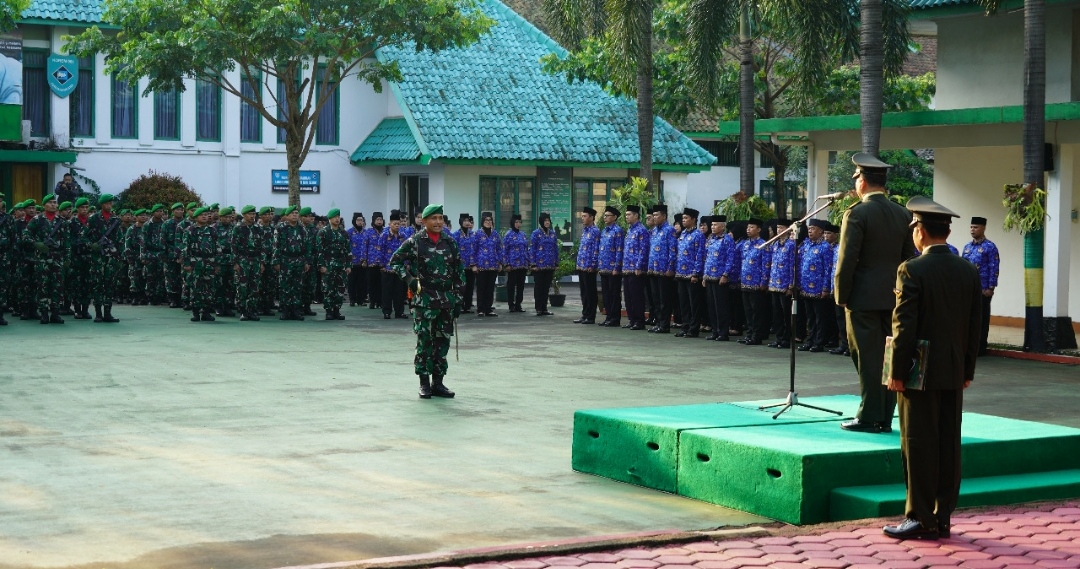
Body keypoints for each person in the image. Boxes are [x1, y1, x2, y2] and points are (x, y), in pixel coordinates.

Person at [882, 196, 981, 541]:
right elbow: (974, 326)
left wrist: (895, 371)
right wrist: (967, 369)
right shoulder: (968, 269)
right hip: (953, 369)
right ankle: (942, 516)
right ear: (948, 231)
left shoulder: (912, 269)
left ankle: (919, 517)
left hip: (917, 371)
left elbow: (903, 327)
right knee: (948, 443)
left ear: (920, 232)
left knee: (917, 442)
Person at [835, 153, 918, 433]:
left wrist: (841, 294)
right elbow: (909, 259)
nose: (855, 181)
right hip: (894, 297)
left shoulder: (857, 212)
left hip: (863, 298)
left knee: (868, 358)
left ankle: (870, 416)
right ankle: (884, 416)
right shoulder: (902, 213)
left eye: (856, 177)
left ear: (862, 181)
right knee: (889, 358)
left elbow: (848, 259)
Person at [388, 204, 465, 399]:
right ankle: (424, 383)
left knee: (442, 341)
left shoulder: (450, 242)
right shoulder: (415, 241)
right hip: (425, 301)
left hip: (446, 300)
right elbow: (395, 261)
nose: (438, 222)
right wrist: (410, 280)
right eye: (434, 218)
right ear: (424, 221)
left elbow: (459, 272)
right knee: (425, 343)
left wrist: (458, 300)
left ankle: (438, 383)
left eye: (440, 218)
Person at [24, 194, 67, 324]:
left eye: (55, 202)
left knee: (57, 286)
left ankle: (55, 313)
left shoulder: (62, 221)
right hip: (42, 258)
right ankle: (43, 313)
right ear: (44, 205)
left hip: (57, 258)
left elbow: (67, 241)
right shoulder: (37, 220)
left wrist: (67, 258)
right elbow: (25, 235)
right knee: (42, 286)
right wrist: (36, 243)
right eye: (50, 202)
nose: (53, 204)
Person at [961, 216, 999, 356]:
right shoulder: (967, 247)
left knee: (981, 319)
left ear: (983, 228)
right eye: (971, 227)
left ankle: (980, 347)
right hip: (968, 290)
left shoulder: (990, 247)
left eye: (976, 227)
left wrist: (991, 288)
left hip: (983, 290)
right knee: (968, 318)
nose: (972, 230)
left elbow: (993, 267)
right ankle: (968, 346)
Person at [798, 219, 836, 352]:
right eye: (809, 228)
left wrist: (826, 288)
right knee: (810, 317)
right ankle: (810, 340)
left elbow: (828, 269)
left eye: (813, 228)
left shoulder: (826, 247)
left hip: (819, 288)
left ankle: (819, 342)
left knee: (820, 317)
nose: (810, 231)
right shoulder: (807, 245)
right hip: (806, 287)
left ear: (820, 231)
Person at [85, 194, 123, 323]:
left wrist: (119, 258)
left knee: (110, 285)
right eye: (107, 203)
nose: (109, 205)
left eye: (111, 203)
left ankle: (108, 313)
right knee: (97, 285)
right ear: (102, 204)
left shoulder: (115, 220)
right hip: (98, 258)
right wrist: (92, 245)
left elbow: (119, 240)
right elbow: (84, 236)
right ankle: (98, 313)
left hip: (111, 257)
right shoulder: (93, 219)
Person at [183, 207, 221, 322]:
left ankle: (206, 312)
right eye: (201, 215)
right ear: (196, 217)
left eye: (206, 214)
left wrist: (217, 263)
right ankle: (195, 312)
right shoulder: (190, 230)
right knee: (196, 287)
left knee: (209, 288)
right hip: (196, 262)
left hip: (210, 261)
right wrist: (187, 263)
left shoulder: (212, 230)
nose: (204, 217)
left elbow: (217, 247)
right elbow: (185, 248)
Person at [273, 206, 310, 321]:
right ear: (287, 216)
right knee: (285, 286)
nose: (295, 215)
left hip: (299, 260)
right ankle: (285, 310)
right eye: (292, 213)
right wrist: (276, 261)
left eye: (296, 213)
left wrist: (307, 261)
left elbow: (306, 246)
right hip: (285, 259)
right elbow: (276, 245)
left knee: (297, 286)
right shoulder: (280, 228)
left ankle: (296, 310)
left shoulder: (302, 229)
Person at [673, 208, 705, 338]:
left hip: (692, 274)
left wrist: (696, 273)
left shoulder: (698, 235)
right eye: (683, 218)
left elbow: (700, 255)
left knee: (694, 304)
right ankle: (685, 326)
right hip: (681, 273)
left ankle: (693, 328)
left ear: (693, 219)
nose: (683, 221)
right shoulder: (683, 234)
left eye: (686, 218)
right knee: (684, 303)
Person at [738, 218, 771, 345]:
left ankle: (757, 335)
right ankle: (750, 333)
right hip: (745, 281)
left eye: (752, 227)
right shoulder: (745, 244)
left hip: (757, 283)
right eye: (748, 227)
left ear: (758, 230)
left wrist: (764, 281)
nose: (748, 229)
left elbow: (766, 264)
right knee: (748, 310)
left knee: (757, 311)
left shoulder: (763, 244)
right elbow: (742, 262)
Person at [702, 215, 735, 341]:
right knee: (712, 306)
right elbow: (707, 258)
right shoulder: (710, 239)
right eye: (712, 225)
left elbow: (730, 259)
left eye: (715, 225)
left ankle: (723, 332)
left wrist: (725, 274)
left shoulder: (727, 239)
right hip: (709, 276)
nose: (713, 227)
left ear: (723, 226)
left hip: (720, 277)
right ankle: (715, 331)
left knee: (721, 306)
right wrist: (704, 276)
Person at [647, 205, 677, 333]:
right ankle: (658, 323)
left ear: (664, 216)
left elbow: (673, 250)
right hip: (653, 269)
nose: (654, 218)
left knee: (664, 299)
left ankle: (664, 325)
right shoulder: (654, 231)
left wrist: (670, 267)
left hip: (664, 270)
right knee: (656, 298)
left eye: (657, 215)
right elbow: (651, 251)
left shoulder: (669, 230)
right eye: (653, 215)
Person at [317, 208, 352, 320]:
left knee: (340, 288)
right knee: (328, 288)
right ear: (330, 219)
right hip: (328, 265)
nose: (337, 219)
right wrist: (321, 265)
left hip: (341, 265)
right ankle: (329, 311)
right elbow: (319, 250)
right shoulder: (323, 232)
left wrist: (348, 265)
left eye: (338, 217)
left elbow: (348, 250)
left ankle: (337, 310)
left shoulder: (343, 233)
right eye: (334, 217)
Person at [767, 219, 796, 349]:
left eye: (781, 228)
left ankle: (786, 338)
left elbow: (792, 266)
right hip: (774, 284)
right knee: (776, 313)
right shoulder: (775, 244)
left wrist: (791, 285)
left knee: (786, 314)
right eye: (777, 228)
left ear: (788, 229)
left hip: (785, 285)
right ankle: (778, 338)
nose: (779, 230)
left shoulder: (791, 245)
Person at [232, 205, 264, 321]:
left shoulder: (258, 228)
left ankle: (252, 310)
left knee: (254, 286)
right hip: (243, 259)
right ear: (244, 215)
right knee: (242, 286)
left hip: (255, 259)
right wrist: (235, 262)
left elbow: (262, 246)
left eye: (254, 214)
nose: (252, 216)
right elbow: (234, 246)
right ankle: (243, 310)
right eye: (250, 214)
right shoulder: (238, 228)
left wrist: (261, 262)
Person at [378, 210, 408, 319]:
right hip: (387, 268)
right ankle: (387, 311)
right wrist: (381, 265)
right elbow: (380, 251)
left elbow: (406, 251)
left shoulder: (403, 236)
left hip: (399, 269)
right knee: (387, 291)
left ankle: (399, 312)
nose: (397, 226)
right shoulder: (384, 236)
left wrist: (406, 264)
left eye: (398, 224)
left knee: (399, 292)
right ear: (389, 224)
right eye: (394, 224)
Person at [597, 206, 624, 327]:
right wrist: (599, 265)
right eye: (604, 215)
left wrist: (617, 267)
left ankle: (615, 318)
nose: (605, 217)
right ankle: (608, 316)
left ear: (614, 217)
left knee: (614, 294)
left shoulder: (617, 231)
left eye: (607, 215)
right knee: (606, 294)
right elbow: (601, 250)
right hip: (604, 268)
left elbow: (619, 250)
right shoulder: (604, 231)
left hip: (613, 269)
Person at [472, 212, 502, 316]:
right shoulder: (477, 234)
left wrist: (500, 263)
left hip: (493, 265)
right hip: (481, 266)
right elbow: (473, 250)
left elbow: (499, 249)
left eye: (490, 220)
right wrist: (473, 264)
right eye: (486, 220)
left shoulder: (495, 234)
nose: (488, 222)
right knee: (481, 288)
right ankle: (480, 309)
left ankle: (488, 308)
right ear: (482, 222)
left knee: (490, 288)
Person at [575, 207, 600, 324]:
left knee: (590, 292)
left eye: (585, 216)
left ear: (591, 217)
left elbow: (596, 249)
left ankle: (591, 316)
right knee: (584, 292)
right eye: (582, 216)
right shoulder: (585, 230)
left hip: (589, 266)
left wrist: (593, 264)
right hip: (582, 265)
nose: (583, 219)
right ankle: (585, 314)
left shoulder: (595, 231)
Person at [530, 212, 558, 316]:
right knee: (539, 287)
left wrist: (556, 263)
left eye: (548, 221)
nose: (547, 223)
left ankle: (545, 308)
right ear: (541, 222)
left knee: (546, 287)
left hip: (550, 265)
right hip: (539, 266)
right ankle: (538, 308)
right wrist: (533, 264)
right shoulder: (536, 233)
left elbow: (555, 248)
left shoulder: (552, 234)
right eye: (545, 221)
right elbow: (532, 249)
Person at [503, 214, 529, 313]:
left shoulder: (523, 235)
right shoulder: (508, 235)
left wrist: (528, 263)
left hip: (522, 265)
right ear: (513, 223)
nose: (518, 224)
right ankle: (511, 305)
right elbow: (504, 250)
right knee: (511, 286)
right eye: (516, 222)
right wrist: (506, 264)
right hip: (512, 265)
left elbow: (526, 249)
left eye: (520, 222)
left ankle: (518, 304)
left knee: (521, 286)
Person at [214, 207, 237, 316]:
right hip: (219, 259)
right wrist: (216, 261)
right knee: (219, 284)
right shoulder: (214, 228)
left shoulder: (234, 228)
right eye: (225, 217)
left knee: (230, 284)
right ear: (220, 217)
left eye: (229, 217)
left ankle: (228, 306)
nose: (228, 219)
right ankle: (218, 306)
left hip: (231, 259)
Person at [452, 214, 476, 314]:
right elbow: (453, 250)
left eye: (468, 221)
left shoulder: (473, 234)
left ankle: (468, 306)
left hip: (471, 266)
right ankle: (460, 306)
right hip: (460, 266)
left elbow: (476, 249)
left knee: (470, 287)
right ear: (461, 222)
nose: (467, 223)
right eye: (465, 221)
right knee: (460, 287)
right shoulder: (456, 235)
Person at [365, 211, 385, 310]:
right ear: (373, 221)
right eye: (377, 219)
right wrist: (364, 260)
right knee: (372, 283)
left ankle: (380, 302)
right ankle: (372, 301)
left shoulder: (385, 231)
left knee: (381, 283)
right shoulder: (368, 232)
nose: (379, 221)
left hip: (382, 262)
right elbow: (365, 246)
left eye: (381, 219)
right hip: (371, 261)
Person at [347, 212, 367, 307]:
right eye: (358, 220)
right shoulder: (349, 232)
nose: (360, 222)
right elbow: (347, 247)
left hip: (363, 261)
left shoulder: (366, 232)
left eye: (361, 220)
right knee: (352, 282)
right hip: (352, 262)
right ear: (354, 221)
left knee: (362, 282)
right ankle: (352, 299)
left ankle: (361, 299)